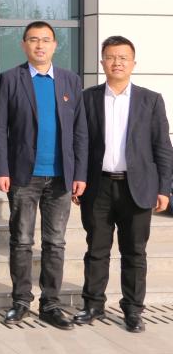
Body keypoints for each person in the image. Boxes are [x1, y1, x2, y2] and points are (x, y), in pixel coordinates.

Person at [0, 21, 87, 329]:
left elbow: (80, 131)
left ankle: (50, 303)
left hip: (61, 177)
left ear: (55, 45)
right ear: (24, 45)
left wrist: (80, 173)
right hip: (23, 175)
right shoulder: (11, 79)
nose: (40, 45)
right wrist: (1, 168)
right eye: (33, 40)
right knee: (21, 240)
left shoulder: (70, 81)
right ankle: (20, 300)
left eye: (46, 40)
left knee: (55, 242)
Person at [74, 36, 173, 333]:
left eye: (123, 57)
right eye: (111, 57)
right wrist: (79, 178)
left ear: (133, 63)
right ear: (102, 61)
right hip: (98, 186)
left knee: (134, 252)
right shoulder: (88, 98)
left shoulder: (150, 100)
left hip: (137, 187)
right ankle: (93, 305)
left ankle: (133, 310)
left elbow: (162, 147)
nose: (116, 62)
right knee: (96, 249)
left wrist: (164, 188)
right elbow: (80, 143)